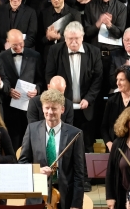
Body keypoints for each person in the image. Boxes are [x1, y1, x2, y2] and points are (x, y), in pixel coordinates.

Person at [44, 21, 103, 150]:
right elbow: (50, 76)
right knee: (63, 146)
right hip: (63, 108)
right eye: (70, 39)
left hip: (86, 109)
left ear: (82, 37)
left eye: (77, 38)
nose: (74, 42)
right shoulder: (55, 51)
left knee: (86, 146)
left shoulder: (94, 52)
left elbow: (98, 79)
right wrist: (61, 100)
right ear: (65, 38)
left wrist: (88, 98)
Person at [0, 28, 44, 148]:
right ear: (8, 42)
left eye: (21, 44)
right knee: (13, 142)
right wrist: (8, 91)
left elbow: (41, 80)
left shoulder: (35, 56)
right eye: (14, 45)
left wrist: (37, 90)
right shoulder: (0, 58)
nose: (18, 47)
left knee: (31, 141)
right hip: (10, 108)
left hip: (30, 107)